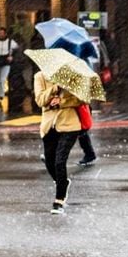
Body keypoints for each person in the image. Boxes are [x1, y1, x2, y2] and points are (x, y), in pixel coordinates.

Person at [34, 70, 86, 214]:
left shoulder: (73, 76)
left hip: (70, 125)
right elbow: (40, 100)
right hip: (49, 126)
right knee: (50, 162)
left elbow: (82, 99)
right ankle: (63, 182)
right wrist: (55, 88)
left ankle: (59, 200)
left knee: (59, 161)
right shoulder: (39, 76)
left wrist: (62, 102)